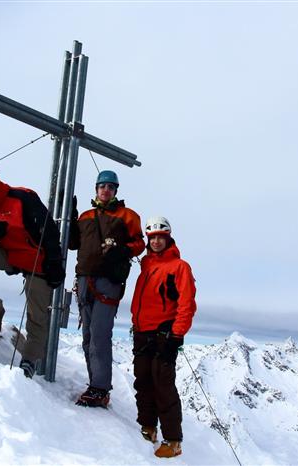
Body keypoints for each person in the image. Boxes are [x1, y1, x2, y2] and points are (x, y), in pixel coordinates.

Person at [0, 168, 64, 377]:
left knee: (37, 315)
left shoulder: (21, 198)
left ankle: (28, 362)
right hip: (11, 258)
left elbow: (49, 229)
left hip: (38, 262)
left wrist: (54, 262)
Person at [68, 170, 145, 407]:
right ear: (96, 189)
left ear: (116, 191)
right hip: (84, 280)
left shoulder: (128, 216)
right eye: (102, 186)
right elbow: (72, 244)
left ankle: (100, 388)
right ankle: (95, 385)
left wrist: (123, 251)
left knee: (100, 335)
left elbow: (140, 243)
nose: (105, 190)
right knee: (88, 336)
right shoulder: (86, 216)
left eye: (110, 187)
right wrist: (70, 216)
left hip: (108, 282)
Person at [129, 216, 197, 458]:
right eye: (153, 237)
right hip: (142, 332)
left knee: (163, 385)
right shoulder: (147, 265)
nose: (156, 241)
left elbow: (186, 304)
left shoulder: (180, 267)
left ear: (168, 238)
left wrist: (176, 336)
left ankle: (173, 440)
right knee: (143, 382)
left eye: (161, 237)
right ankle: (148, 428)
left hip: (163, 335)